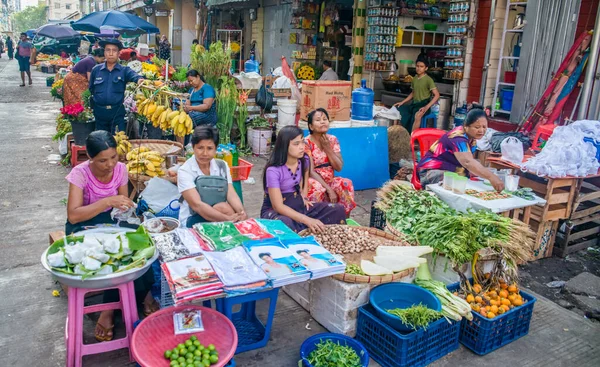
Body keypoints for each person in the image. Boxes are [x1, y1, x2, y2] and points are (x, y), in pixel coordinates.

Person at [261, 125, 346, 233]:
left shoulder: (304, 160)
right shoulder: (273, 170)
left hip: (297, 205)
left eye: (302, 142)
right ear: (284, 146)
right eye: (296, 144)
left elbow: (303, 183)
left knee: (336, 209)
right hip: (276, 211)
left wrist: (304, 198)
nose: (301, 147)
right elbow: (278, 206)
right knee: (286, 224)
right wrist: (307, 220)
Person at [417, 109, 505, 192]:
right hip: (430, 172)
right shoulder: (457, 137)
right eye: (477, 127)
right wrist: (491, 177)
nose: (481, 130)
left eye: (484, 127)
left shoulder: (472, 139)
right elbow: (468, 162)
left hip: (451, 171)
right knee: (462, 187)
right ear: (466, 126)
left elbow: (470, 163)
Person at [178, 126, 247, 227]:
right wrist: (228, 219)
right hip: (193, 217)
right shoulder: (185, 170)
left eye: (210, 148)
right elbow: (197, 205)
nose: (205, 153)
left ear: (216, 149)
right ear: (193, 147)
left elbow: (231, 193)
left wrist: (241, 213)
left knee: (225, 208)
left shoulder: (222, 166)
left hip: (219, 212)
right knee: (224, 208)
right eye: (200, 148)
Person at [304, 108, 356, 216]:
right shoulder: (306, 142)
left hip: (330, 179)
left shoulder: (332, 140)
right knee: (316, 187)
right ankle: (316, 219)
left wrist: (328, 148)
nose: (323, 122)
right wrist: (329, 189)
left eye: (325, 119)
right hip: (314, 179)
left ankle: (343, 219)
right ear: (311, 126)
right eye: (318, 120)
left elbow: (339, 167)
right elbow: (311, 171)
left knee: (346, 183)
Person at [89, 39, 144, 133]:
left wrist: (139, 80)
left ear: (119, 53)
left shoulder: (124, 70)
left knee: (119, 142)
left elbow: (135, 76)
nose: (111, 53)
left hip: (117, 113)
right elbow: (91, 89)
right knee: (102, 143)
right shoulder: (96, 70)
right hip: (100, 113)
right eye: (108, 50)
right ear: (104, 52)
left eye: (114, 50)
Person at [393, 58, 440, 133]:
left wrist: (426, 107)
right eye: (417, 66)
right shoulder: (414, 79)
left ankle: (412, 137)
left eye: (421, 66)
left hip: (423, 105)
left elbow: (437, 95)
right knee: (397, 110)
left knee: (417, 116)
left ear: (426, 68)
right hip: (414, 105)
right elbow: (413, 93)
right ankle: (396, 134)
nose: (419, 68)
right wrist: (402, 102)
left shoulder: (428, 80)